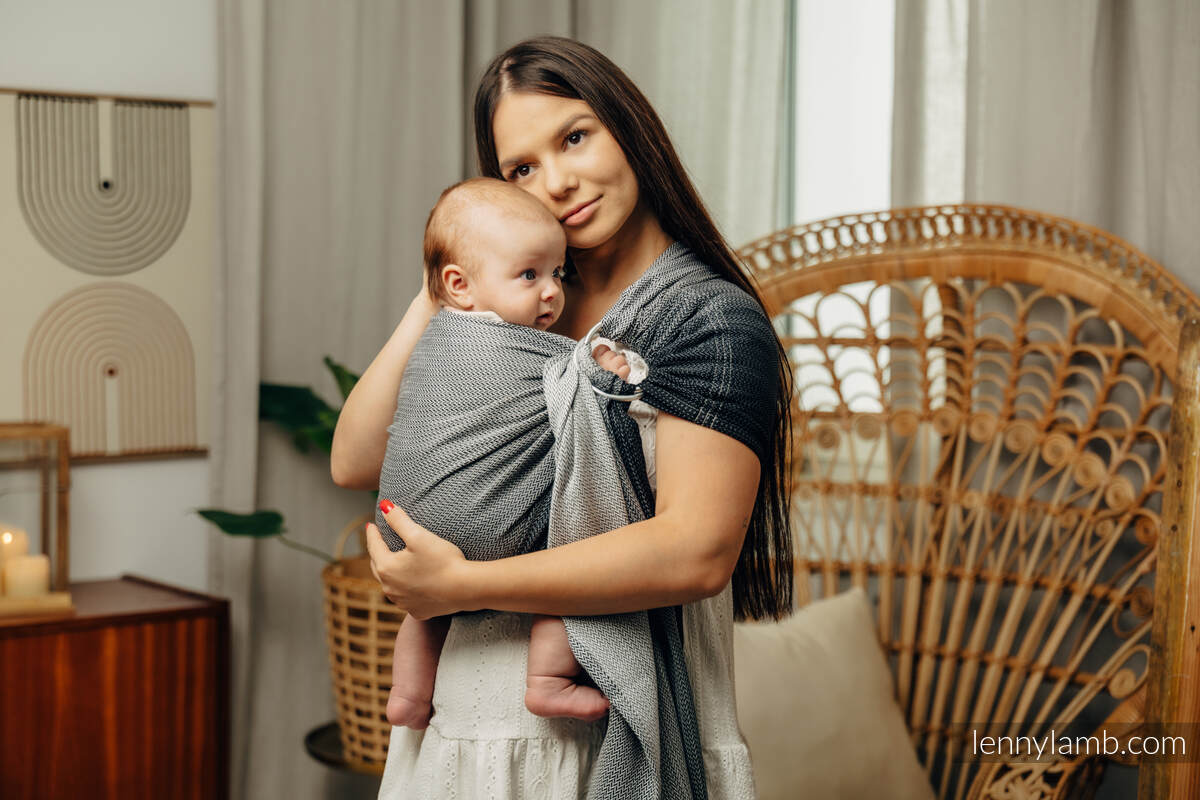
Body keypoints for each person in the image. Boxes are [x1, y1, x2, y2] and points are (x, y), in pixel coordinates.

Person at [331, 36, 793, 800]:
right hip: (466, 725)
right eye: (521, 169)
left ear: (628, 127)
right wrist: (441, 286)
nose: (558, 182)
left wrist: (464, 583)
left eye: (575, 137)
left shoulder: (706, 320)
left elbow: (697, 552)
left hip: (603, 720)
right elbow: (355, 460)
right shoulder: (521, 302)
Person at [382, 176, 625, 731]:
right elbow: (581, 389)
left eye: (558, 273)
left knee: (426, 614)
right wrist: (608, 372)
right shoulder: (531, 350)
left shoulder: (432, 340)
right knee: (580, 530)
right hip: (490, 525)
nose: (551, 292)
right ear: (459, 285)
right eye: (529, 274)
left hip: (406, 528)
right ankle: (547, 681)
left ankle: (409, 695)